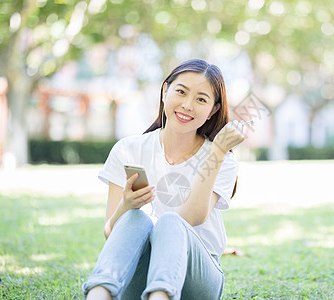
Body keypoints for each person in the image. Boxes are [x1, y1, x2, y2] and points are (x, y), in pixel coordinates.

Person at [83, 59, 247, 300]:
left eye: (201, 99)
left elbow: (193, 217)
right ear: (165, 91)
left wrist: (216, 153)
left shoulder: (221, 157)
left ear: (213, 110)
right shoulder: (128, 150)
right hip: (139, 273)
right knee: (135, 217)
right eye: (181, 92)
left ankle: (161, 296)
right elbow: (111, 233)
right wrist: (126, 207)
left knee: (170, 222)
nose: (188, 105)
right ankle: (98, 294)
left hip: (196, 278)